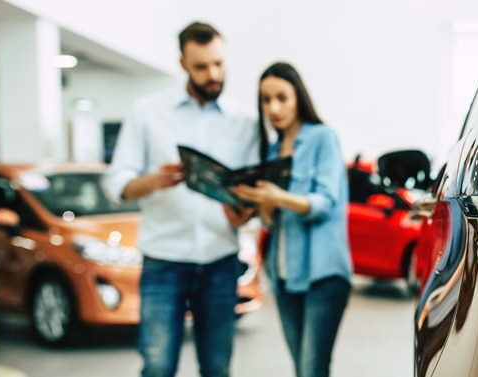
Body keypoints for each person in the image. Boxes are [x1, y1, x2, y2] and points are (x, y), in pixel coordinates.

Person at [102, 21, 258, 377]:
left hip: (221, 260)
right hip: (164, 260)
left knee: (217, 367)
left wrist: (243, 214)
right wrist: (153, 181)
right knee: (157, 366)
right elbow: (117, 183)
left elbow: (249, 193)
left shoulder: (244, 121)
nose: (213, 74)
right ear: (183, 64)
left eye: (218, 64)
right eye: (201, 67)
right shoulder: (147, 111)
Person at [231, 62, 351, 377]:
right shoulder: (271, 151)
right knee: (301, 370)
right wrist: (261, 205)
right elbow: (274, 222)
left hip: (323, 275)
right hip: (284, 276)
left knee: (313, 369)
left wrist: (276, 197)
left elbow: (325, 203)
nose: (273, 107)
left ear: (298, 96)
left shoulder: (323, 138)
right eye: (265, 99)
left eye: (281, 97)